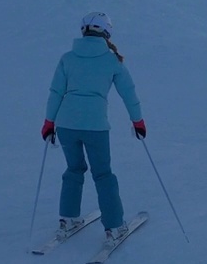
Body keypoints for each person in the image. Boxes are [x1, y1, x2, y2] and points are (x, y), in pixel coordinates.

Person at [41, 12, 146, 244]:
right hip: (95, 126)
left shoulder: (67, 58)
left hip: (66, 124)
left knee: (74, 169)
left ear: (83, 31)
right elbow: (129, 93)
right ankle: (115, 227)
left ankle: (68, 219)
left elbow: (55, 92)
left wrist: (49, 122)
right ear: (106, 32)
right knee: (103, 174)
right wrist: (137, 121)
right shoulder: (111, 60)